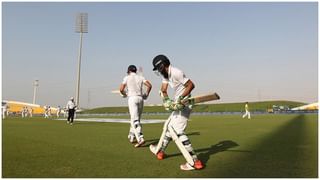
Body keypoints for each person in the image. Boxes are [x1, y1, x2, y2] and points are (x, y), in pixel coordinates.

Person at [149, 54, 203, 171]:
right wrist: (166, 101)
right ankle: (160, 151)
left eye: (158, 68)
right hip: (177, 104)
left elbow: (191, 85)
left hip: (184, 103)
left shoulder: (176, 72)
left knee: (177, 131)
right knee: (168, 126)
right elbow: (163, 89)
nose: (158, 71)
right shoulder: (166, 75)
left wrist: (180, 99)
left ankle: (194, 161)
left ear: (163, 65)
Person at [119, 65, 152, 148]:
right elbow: (149, 85)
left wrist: (125, 94)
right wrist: (146, 94)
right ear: (135, 71)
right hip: (140, 98)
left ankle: (140, 138)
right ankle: (132, 136)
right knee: (136, 119)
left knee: (135, 119)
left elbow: (121, 89)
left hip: (132, 98)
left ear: (129, 71)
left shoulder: (126, 77)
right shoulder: (140, 77)